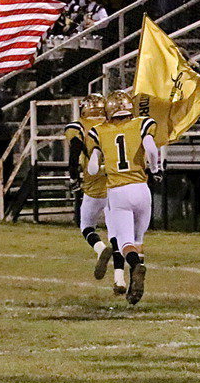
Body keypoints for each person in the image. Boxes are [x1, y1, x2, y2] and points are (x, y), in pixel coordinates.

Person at [85, 90, 160, 306]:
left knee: (125, 242)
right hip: (141, 188)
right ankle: (135, 280)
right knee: (138, 240)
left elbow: (92, 168)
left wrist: (100, 168)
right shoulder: (142, 124)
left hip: (118, 191)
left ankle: (135, 267)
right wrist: (155, 169)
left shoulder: (99, 131)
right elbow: (151, 149)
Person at [64, 95, 118, 291]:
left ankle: (100, 248)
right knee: (116, 229)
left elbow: (75, 149)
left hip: (93, 182)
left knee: (86, 225)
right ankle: (120, 274)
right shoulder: (114, 123)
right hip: (116, 180)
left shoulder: (78, 126)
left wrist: (73, 177)